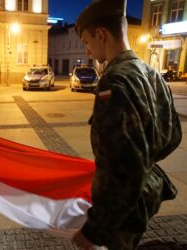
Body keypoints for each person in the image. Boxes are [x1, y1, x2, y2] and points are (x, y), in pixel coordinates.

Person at [72, 0, 182, 249]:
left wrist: (93, 231)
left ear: (101, 34)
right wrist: (147, 158)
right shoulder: (151, 73)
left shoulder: (114, 82)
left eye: (87, 42)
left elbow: (124, 170)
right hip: (146, 193)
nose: (88, 51)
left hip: (122, 206)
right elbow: (174, 136)